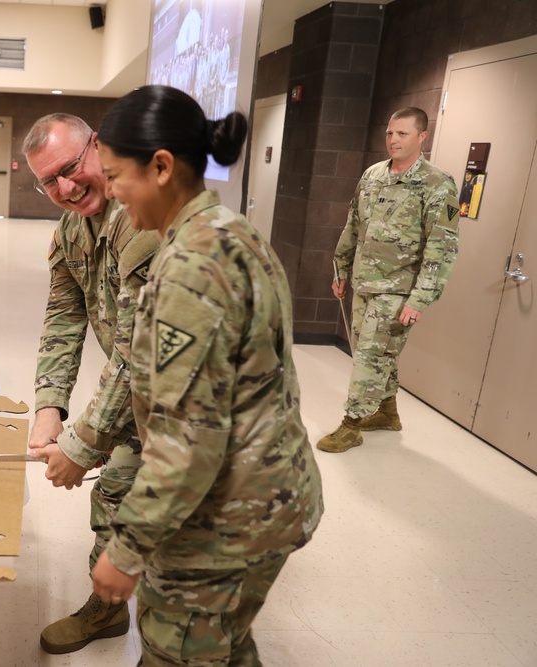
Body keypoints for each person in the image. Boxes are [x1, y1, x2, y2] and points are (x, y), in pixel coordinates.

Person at [90, 85, 324, 666]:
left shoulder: (191, 267)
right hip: (270, 494)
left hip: (225, 520)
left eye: (117, 176)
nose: (114, 195)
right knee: (224, 645)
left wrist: (126, 549)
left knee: (179, 651)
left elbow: (188, 442)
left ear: (162, 167)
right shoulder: (231, 230)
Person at [23, 113, 159, 655]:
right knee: (115, 494)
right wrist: (49, 407)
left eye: (71, 168)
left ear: (98, 147)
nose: (65, 187)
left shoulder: (144, 218)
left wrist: (82, 443)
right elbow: (64, 315)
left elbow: (137, 351)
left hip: (211, 409)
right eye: (48, 181)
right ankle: (108, 612)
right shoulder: (72, 228)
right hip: (148, 397)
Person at [317, 107, 460, 453]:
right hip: (365, 283)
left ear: (422, 137)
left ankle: (351, 425)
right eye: (390, 133)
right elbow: (353, 225)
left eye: (402, 134)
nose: (393, 140)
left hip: (398, 290)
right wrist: (341, 269)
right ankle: (387, 411)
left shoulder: (437, 184)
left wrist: (419, 299)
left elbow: (442, 247)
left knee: (370, 355)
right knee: (377, 354)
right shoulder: (373, 175)